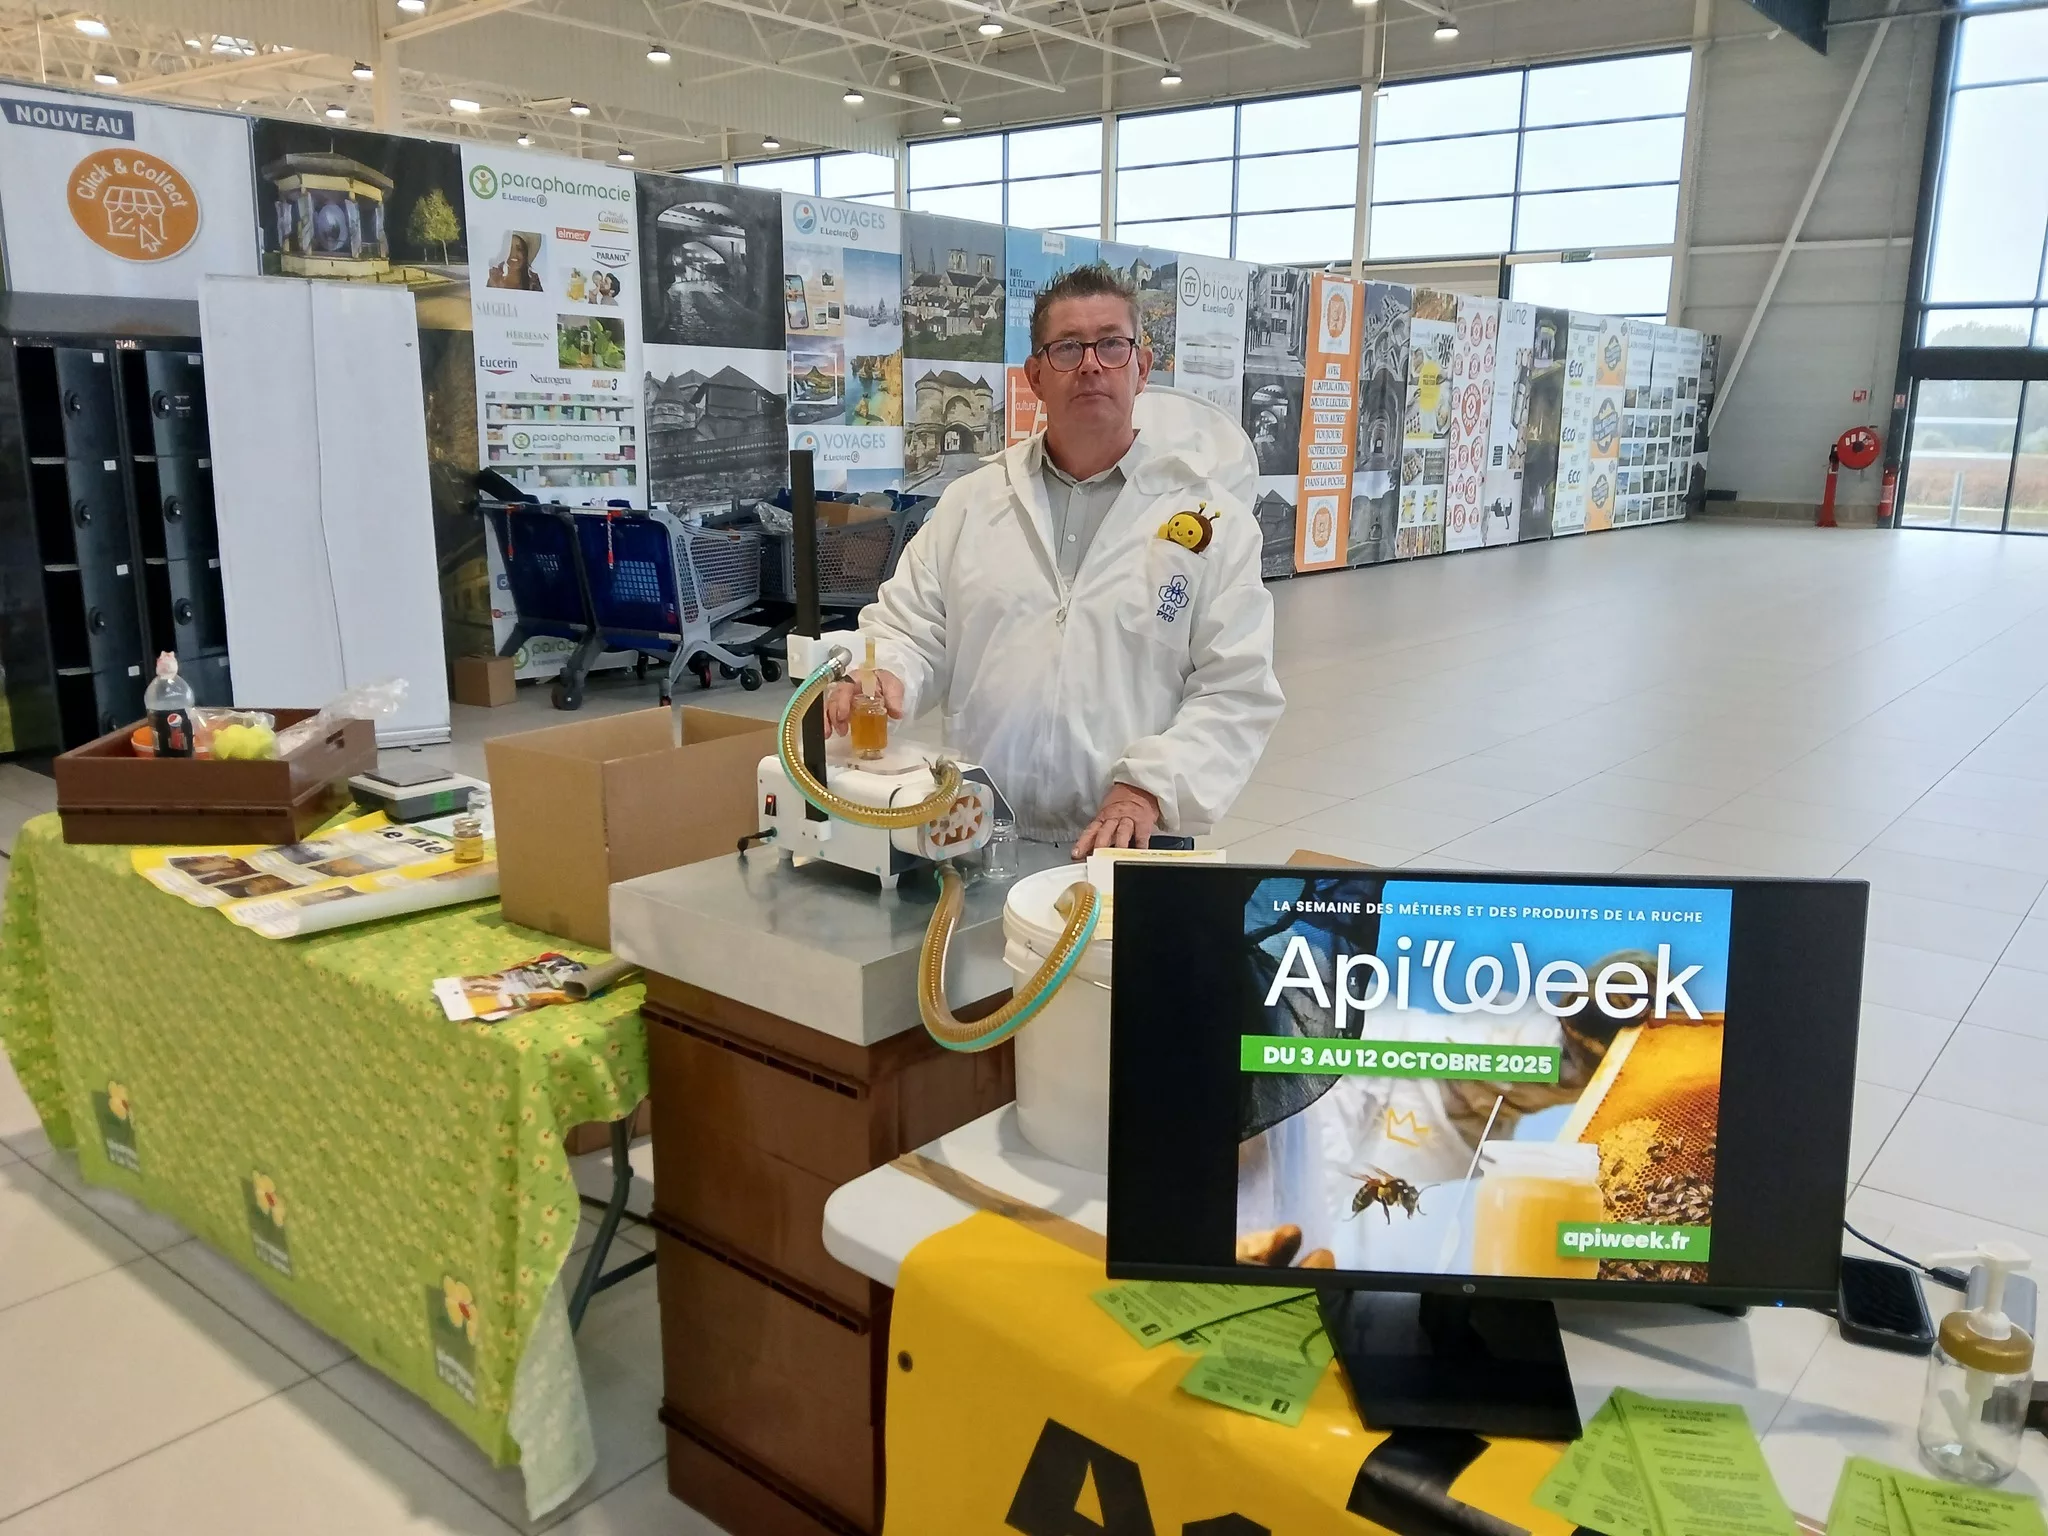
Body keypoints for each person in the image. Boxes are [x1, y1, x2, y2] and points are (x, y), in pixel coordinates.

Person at [825, 264, 1283, 857]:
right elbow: (909, 629)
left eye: (1112, 345)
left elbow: (1235, 688)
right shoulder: (972, 503)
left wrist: (1150, 789)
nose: (1091, 365)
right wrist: (885, 671)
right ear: (1036, 376)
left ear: (1142, 368)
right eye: (1067, 348)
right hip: (979, 830)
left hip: (1131, 840)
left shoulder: (1211, 521)